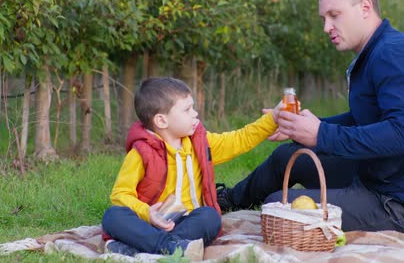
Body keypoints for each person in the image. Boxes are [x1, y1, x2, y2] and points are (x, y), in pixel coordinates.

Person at [217, 0, 404, 237]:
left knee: (276, 205)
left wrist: (321, 134)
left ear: (365, 7)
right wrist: (308, 127)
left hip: (402, 205)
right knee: (286, 157)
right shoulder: (374, 52)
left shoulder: (393, 53)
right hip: (375, 174)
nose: (326, 27)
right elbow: (367, 119)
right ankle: (225, 201)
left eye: (334, 15)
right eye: (323, 19)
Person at [102, 77, 281, 258]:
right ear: (162, 121)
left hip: (188, 223)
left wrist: (272, 119)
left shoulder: (201, 144)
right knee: (112, 216)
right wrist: (147, 213)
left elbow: (239, 140)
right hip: (150, 223)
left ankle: (151, 247)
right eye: (187, 109)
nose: (195, 114)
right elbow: (120, 194)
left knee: (210, 217)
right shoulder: (141, 153)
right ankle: (171, 248)